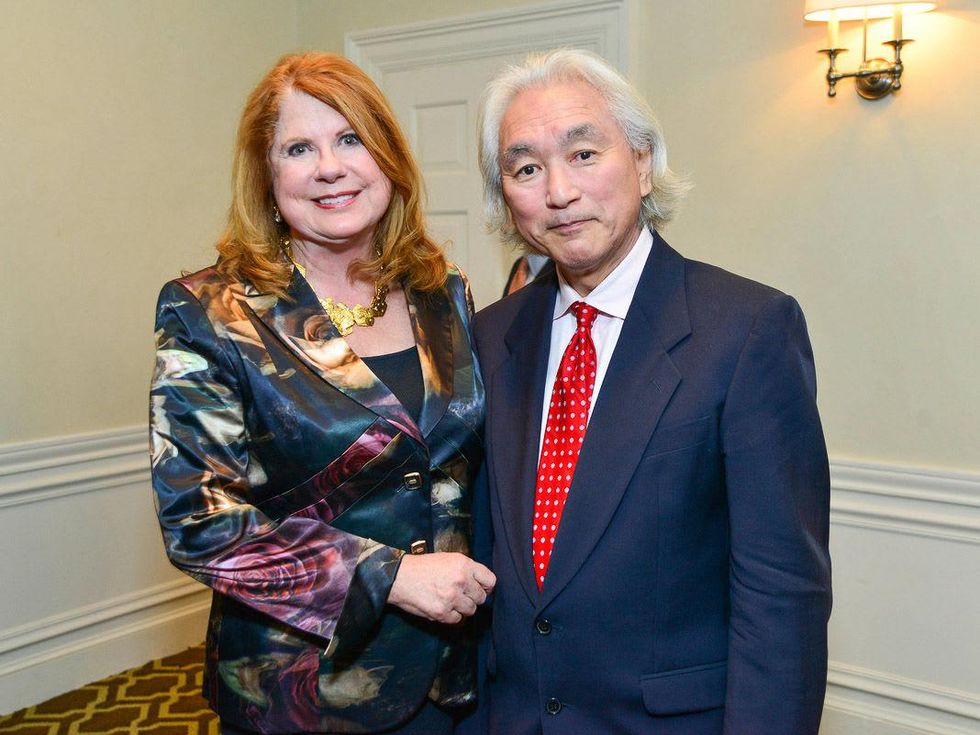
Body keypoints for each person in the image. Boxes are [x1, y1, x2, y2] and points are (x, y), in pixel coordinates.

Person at [471, 49, 831, 733]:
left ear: (641, 160)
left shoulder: (748, 330)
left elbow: (781, 593)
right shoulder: (491, 337)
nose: (558, 190)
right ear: (506, 198)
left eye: (583, 154)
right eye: (526, 168)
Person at [149, 52, 495, 735]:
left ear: (387, 158)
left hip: (455, 673)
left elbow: (464, 464)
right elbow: (199, 521)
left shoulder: (442, 292)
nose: (330, 166)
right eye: (299, 147)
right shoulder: (209, 311)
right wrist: (388, 576)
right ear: (267, 174)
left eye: (350, 139)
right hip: (304, 690)